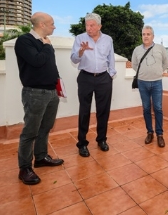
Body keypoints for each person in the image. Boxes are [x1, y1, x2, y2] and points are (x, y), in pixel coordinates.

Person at [15, 12, 64, 185]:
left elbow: (50, 65)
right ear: (42, 25)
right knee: (30, 132)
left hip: (51, 93)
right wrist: (47, 46)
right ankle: (25, 168)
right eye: (52, 23)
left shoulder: (45, 43)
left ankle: (41, 157)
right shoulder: (25, 41)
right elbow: (37, 60)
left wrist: (58, 85)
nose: (54, 26)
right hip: (35, 93)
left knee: (45, 128)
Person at [70, 13, 116, 157]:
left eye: (92, 25)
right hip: (85, 78)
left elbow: (111, 58)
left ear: (99, 26)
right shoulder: (80, 39)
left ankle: (101, 139)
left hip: (103, 78)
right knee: (84, 111)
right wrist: (81, 51)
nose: (88, 28)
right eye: (87, 25)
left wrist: (111, 75)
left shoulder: (107, 39)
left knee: (103, 111)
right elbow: (74, 59)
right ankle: (82, 143)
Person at [131, 25, 168, 147]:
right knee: (146, 109)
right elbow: (134, 65)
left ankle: (160, 134)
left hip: (157, 82)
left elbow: (165, 63)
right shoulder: (137, 50)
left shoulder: (160, 48)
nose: (145, 36)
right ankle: (149, 132)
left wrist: (157, 72)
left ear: (153, 36)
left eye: (148, 34)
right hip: (142, 83)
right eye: (143, 34)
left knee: (158, 108)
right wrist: (144, 73)